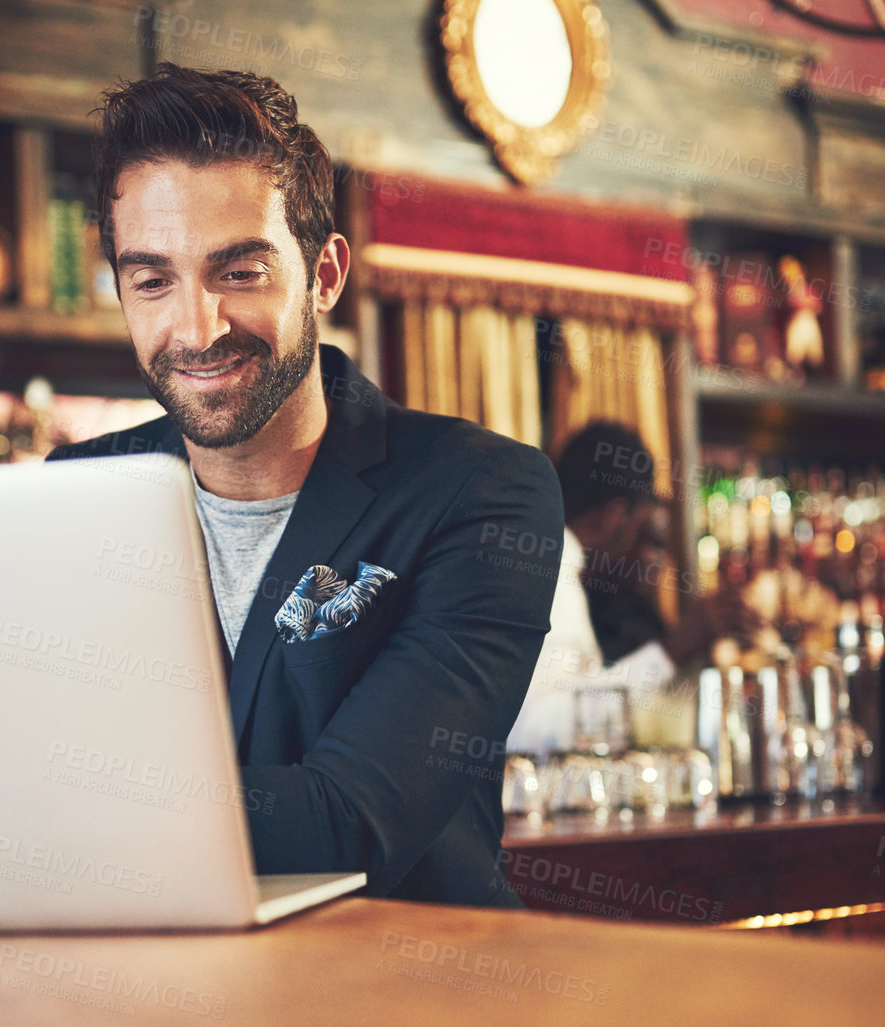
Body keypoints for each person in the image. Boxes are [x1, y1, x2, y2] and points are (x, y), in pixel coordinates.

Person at [46, 63, 562, 908]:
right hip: (161, 1009)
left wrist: (48, 809)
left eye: (239, 272)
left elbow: (349, 818)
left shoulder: (482, 493)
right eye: (153, 280)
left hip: (412, 1010)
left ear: (323, 275)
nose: (196, 327)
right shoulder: (75, 493)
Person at [507, 420, 755, 757]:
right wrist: (672, 651)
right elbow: (532, 729)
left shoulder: (557, 566)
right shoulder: (551, 566)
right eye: (645, 534)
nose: (658, 561)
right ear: (613, 516)